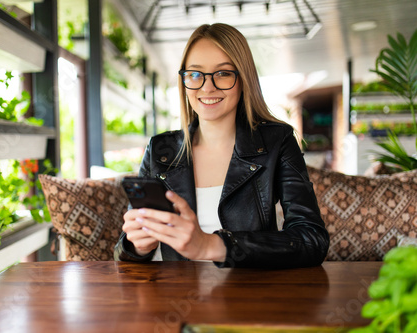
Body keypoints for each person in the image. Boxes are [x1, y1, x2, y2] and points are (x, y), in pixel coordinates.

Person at [114, 23, 329, 268]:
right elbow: (123, 251)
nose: (207, 87)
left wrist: (211, 246)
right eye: (195, 74)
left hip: (248, 296)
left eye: (223, 73)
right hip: (172, 294)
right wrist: (138, 246)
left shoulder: (277, 141)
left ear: (243, 78)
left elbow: (312, 239)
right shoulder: (160, 149)